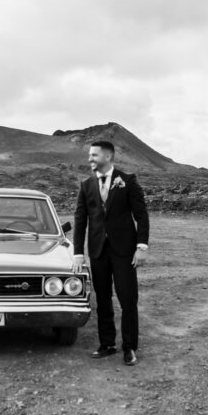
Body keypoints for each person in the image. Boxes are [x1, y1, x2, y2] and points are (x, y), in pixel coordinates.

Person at [72, 140, 149, 365]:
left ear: (107, 156)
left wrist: (141, 247)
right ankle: (107, 344)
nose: (90, 159)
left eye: (94, 155)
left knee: (128, 299)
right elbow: (80, 220)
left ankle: (129, 347)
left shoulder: (128, 181)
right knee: (103, 299)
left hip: (124, 251)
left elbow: (141, 215)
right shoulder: (86, 185)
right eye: (89, 155)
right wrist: (78, 253)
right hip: (98, 251)